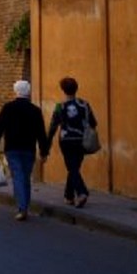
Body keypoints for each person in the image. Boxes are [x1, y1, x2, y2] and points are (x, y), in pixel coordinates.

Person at [0, 79, 49, 221]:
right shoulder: (35, 110)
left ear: (16, 91)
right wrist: (44, 151)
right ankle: (24, 205)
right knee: (25, 177)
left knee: (18, 176)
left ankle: (22, 207)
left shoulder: (8, 108)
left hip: (13, 148)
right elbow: (41, 132)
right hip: (29, 149)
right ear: (28, 92)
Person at [47, 76, 97, 208]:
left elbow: (53, 126)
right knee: (74, 167)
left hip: (66, 141)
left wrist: (48, 141)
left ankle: (81, 192)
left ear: (63, 90)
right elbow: (93, 122)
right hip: (81, 140)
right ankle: (68, 196)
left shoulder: (60, 107)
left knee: (72, 167)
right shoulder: (84, 105)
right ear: (76, 89)